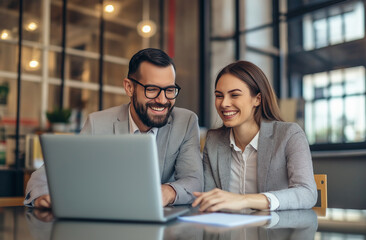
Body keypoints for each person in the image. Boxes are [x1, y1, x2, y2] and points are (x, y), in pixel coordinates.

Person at [24, 48, 203, 208]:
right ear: (129, 87)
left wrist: (169, 192)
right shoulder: (97, 123)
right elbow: (44, 176)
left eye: (169, 90)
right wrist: (42, 196)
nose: (163, 100)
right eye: (152, 89)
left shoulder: (185, 122)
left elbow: (194, 180)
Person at [192, 60, 317, 212]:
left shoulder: (289, 135)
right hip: (227, 232)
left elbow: (307, 193)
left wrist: (244, 200)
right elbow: (209, 196)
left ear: (257, 99)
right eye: (219, 96)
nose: (224, 103)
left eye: (234, 95)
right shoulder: (213, 140)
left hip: (275, 231)